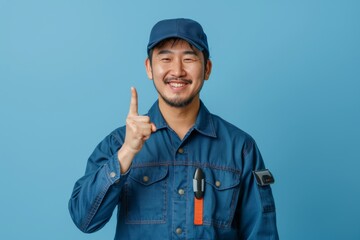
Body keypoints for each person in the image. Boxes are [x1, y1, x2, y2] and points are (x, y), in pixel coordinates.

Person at [69, 18, 279, 239]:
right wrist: (126, 153)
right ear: (149, 67)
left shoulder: (240, 148)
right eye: (166, 58)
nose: (177, 70)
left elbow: (262, 234)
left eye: (189, 58)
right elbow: (85, 220)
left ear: (207, 68)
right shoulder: (118, 143)